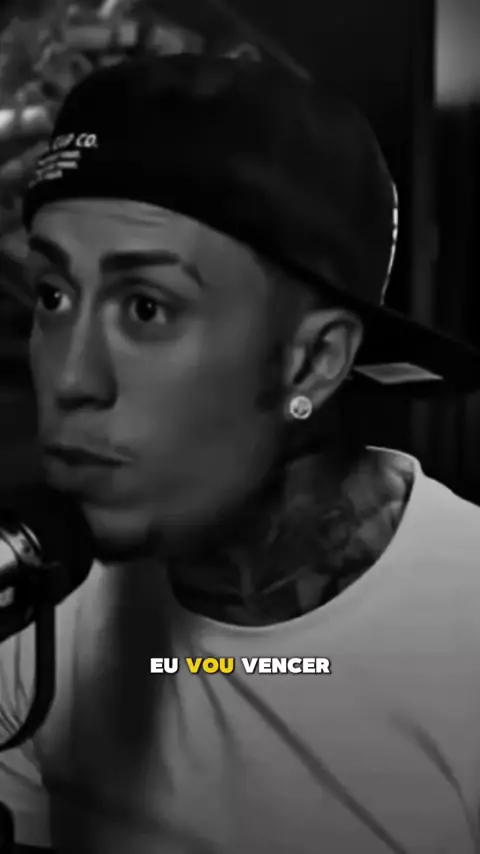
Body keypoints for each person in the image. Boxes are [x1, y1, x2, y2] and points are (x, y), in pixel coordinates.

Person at [1, 53, 480, 854]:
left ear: (311, 362)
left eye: (146, 306)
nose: (72, 377)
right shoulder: (34, 606)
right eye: (53, 295)